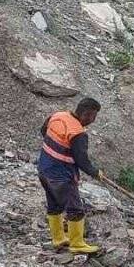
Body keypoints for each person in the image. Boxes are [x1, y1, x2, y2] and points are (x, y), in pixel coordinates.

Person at [37, 97, 104, 254]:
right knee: (75, 209)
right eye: (93, 116)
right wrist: (95, 172)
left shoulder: (58, 116)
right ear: (87, 114)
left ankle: (58, 239)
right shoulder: (77, 133)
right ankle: (77, 244)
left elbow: (43, 131)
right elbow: (82, 160)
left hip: (44, 169)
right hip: (61, 175)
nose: (93, 120)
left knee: (54, 205)